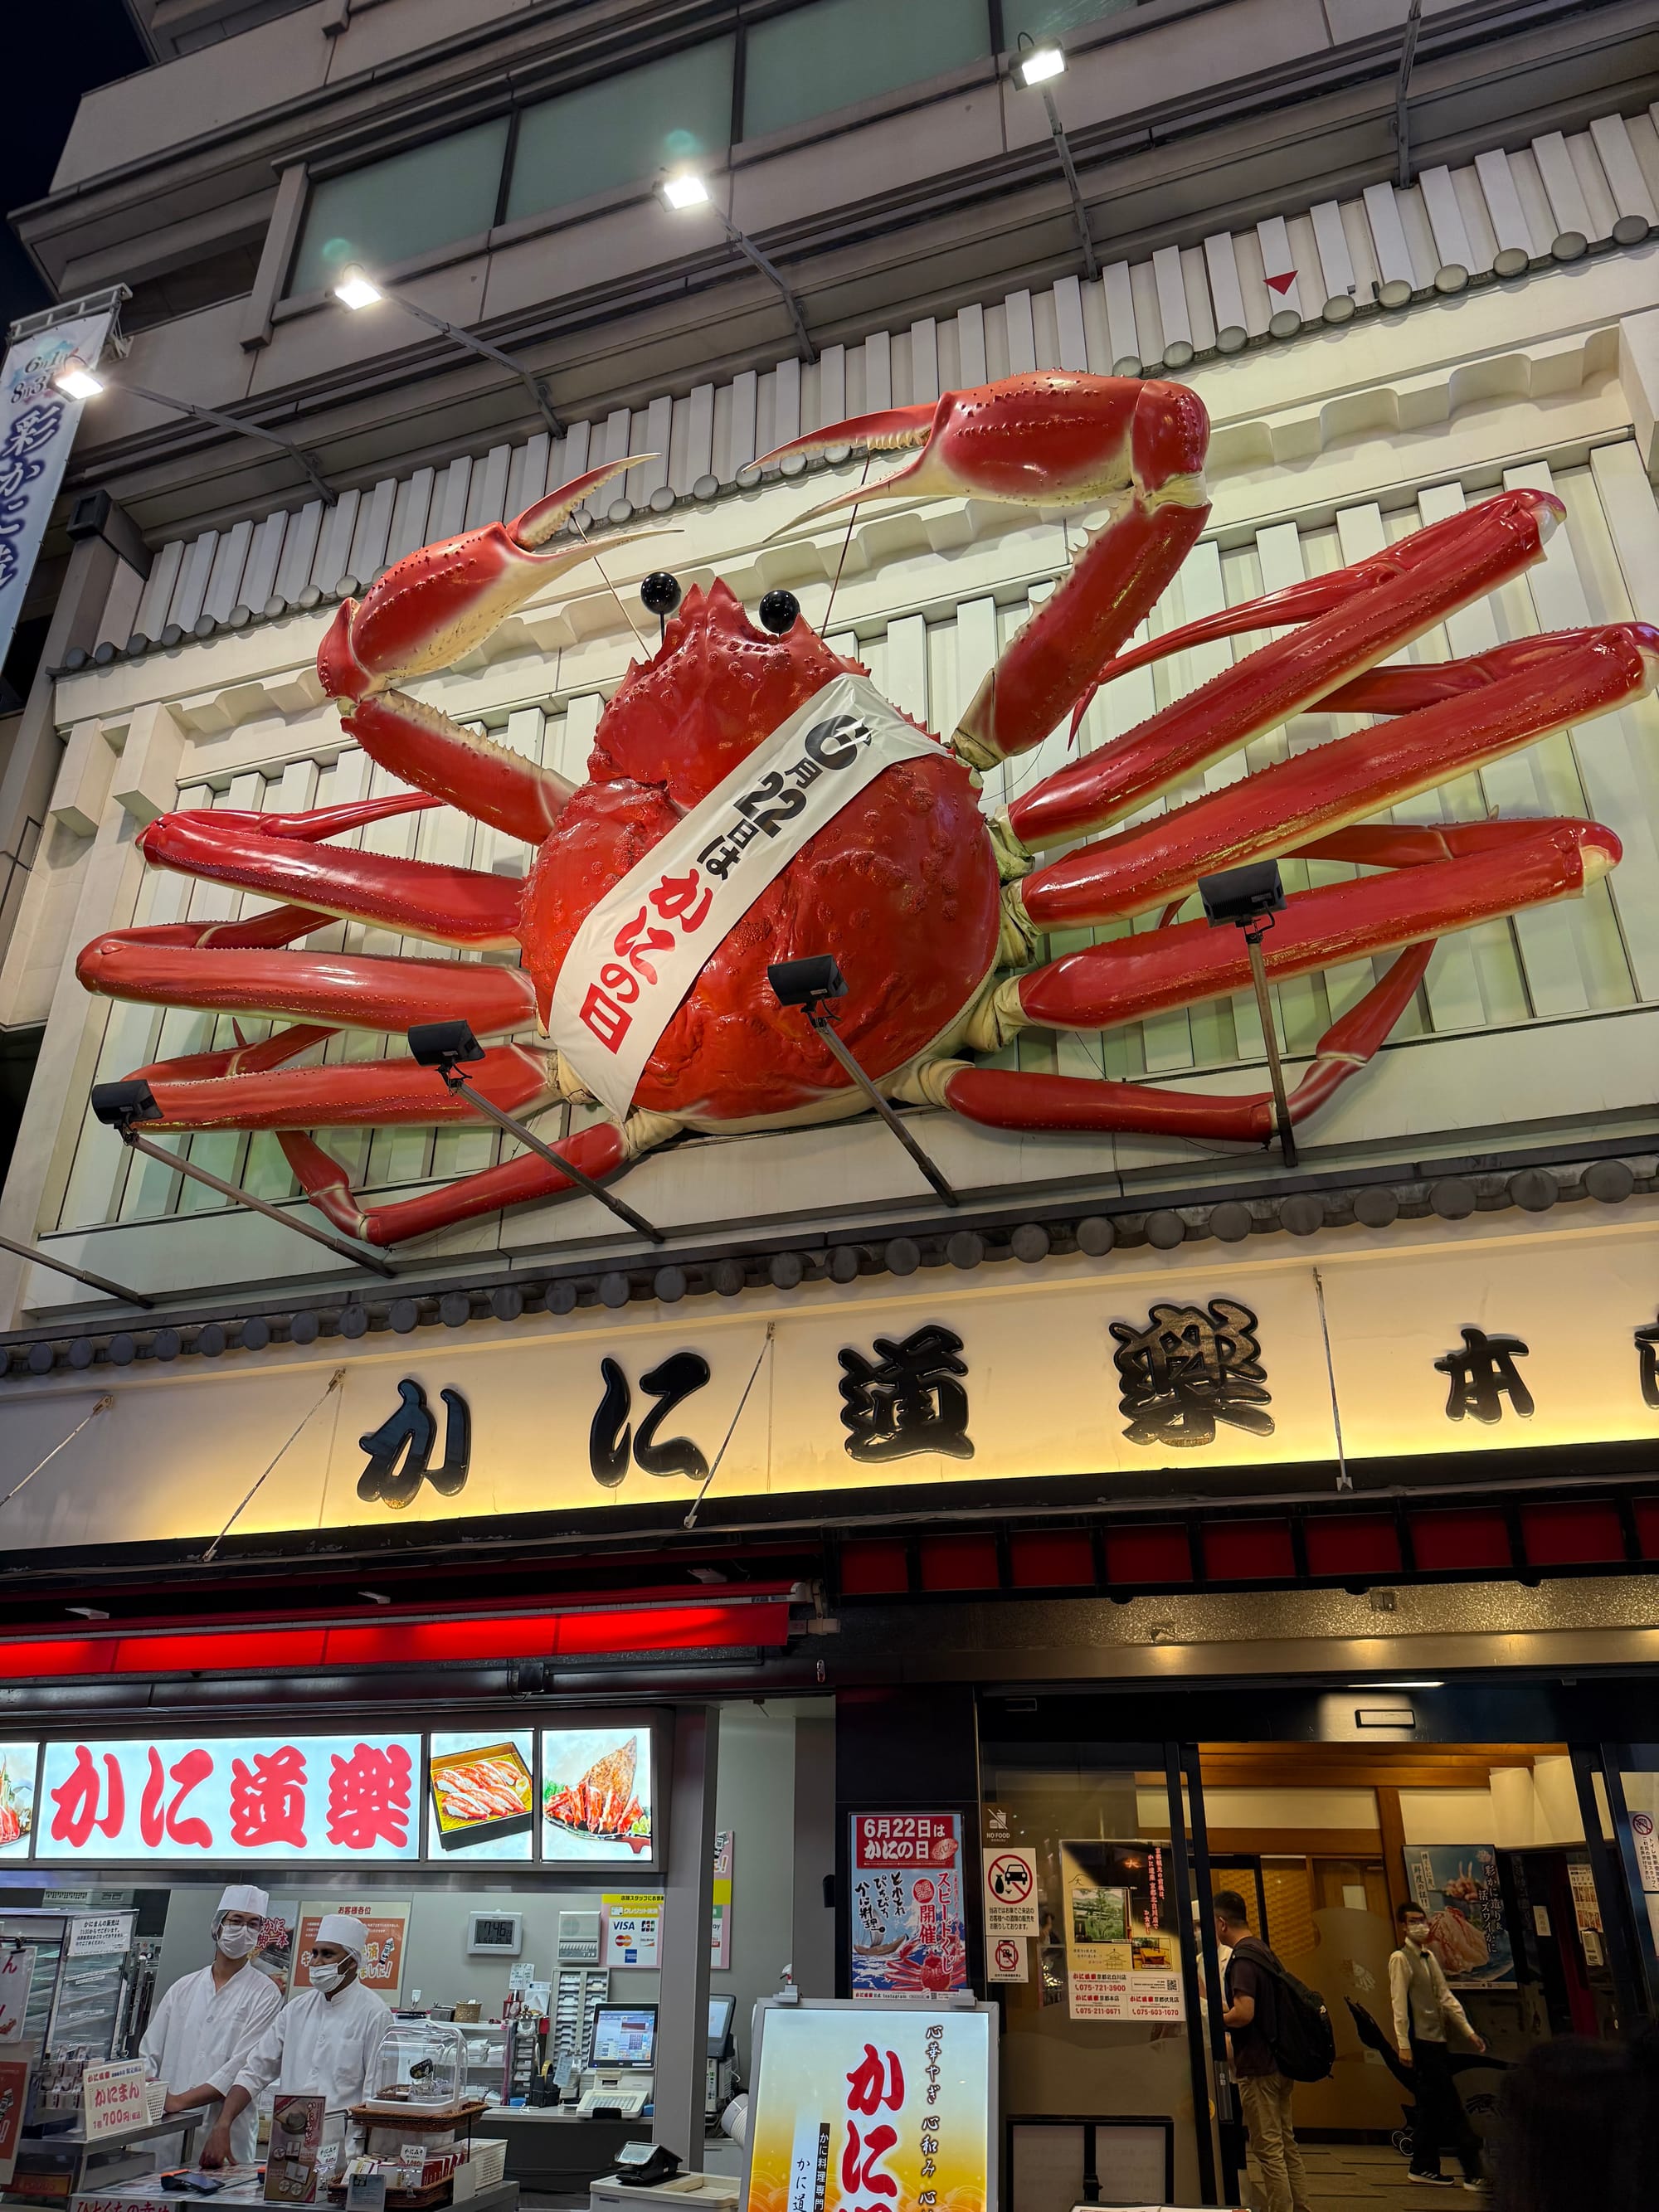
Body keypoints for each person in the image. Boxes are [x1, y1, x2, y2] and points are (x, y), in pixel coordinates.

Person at [199, 1915, 391, 2168]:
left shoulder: (374, 2014)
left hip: (343, 2156)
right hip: (288, 2147)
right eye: (314, 1953)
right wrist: (223, 2123)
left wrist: (361, 2163)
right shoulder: (296, 2010)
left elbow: (374, 2096)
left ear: (352, 1962)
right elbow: (254, 2070)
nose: (316, 1962)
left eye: (327, 1955)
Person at [143, 1884, 284, 2167]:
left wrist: (181, 2101)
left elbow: (244, 2065)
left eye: (253, 1924)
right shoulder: (183, 1987)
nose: (243, 1930)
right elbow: (149, 2053)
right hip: (166, 2128)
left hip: (223, 2131)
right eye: (236, 1921)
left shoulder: (265, 1993)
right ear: (217, 1926)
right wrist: (153, 2092)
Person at [1214, 1889, 1311, 2212]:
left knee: (1268, 2149)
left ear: (1221, 1923)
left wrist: (1216, 2019)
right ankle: (1300, 2207)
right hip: (1281, 2061)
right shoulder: (1264, 1951)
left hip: (1258, 2066)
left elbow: (1244, 2013)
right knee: (1286, 2144)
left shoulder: (1242, 1959)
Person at [1390, 1898, 1486, 2191]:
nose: (1420, 1926)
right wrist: (1403, 2044)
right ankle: (1473, 2170)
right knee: (1451, 2105)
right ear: (1403, 1926)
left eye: (1422, 1920)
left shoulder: (1429, 1957)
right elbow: (1398, 2004)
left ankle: (1423, 2166)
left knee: (1430, 2107)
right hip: (1422, 2043)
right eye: (1413, 1921)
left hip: (1438, 2040)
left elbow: (1445, 1997)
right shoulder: (1400, 1959)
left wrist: (1468, 2031)